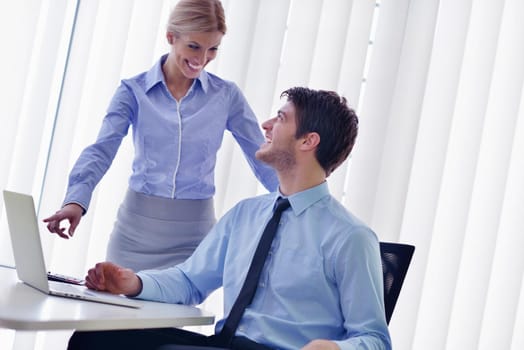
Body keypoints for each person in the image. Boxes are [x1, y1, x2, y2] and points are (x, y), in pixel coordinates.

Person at [67, 87, 391, 350]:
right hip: (224, 345)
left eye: (280, 118)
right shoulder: (246, 215)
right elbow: (190, 281)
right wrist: (133, 283)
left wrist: (335, 349)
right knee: (96, 338)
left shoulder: (350, 237)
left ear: (308, 140)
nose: (265, 125)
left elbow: (375, 339)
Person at [43, 0, 278, 271]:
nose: (202, 59)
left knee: (177, 313)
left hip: (194, 239)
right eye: (194, 46)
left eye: (212, 49)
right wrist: (76, 200)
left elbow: (262, 156)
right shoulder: (133, 91)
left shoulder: (226, 96)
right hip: (134, 234)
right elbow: (101, 150)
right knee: (118, 311)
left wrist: (296, 203)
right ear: (171, 37)